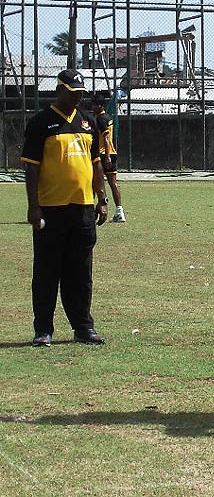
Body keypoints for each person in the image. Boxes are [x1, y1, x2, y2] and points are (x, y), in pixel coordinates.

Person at [21, 69, 108, 347]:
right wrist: (34, 207)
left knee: (81, 273)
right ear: (60, 91)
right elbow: (31, 168)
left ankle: (83, 328)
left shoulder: (88, 122)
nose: (77, 97)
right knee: (47, 271)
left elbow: (95, 163)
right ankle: (43, 330)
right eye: (72, 93)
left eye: (80, 93)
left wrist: (101, 198)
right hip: (50, 208)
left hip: (82, 207)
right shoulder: (40, 123)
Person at [91, 93, 126, 222]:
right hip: (112, 152)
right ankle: (119, 212)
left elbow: (105, 138)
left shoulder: (100, 119)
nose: (93, 107)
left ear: (100, 105)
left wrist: (106, 157)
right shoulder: (108, 117)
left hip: (103, 154)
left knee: (94, 183)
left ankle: (90, 211)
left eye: (95, 105)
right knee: (113, 183)